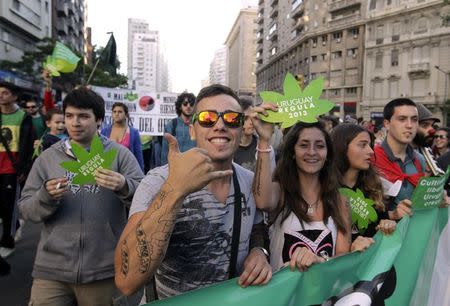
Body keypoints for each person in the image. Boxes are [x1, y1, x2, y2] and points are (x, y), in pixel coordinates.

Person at [115, 84, 272, 299]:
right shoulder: (158, 181)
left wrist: (259, 252)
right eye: (208, 118)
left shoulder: (249, 180)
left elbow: (255, 229)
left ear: (241, 126)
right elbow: (126, 281)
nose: (219, 126)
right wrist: (175, 190)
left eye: (231, 119)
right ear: (192, 129)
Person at [18, 87, 144, 305]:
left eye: (83, 116)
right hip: (51, 270)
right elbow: (26, 209)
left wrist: (124, 185)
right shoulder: (47, 158)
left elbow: (145, 202)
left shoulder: (120, 155)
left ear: (99, 120)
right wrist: (45, 195)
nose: (75, 123)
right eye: (69, 116)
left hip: (104, 270)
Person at [251, 114, 351, 272]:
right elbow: (262, 201)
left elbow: (343, 257)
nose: (312, 152)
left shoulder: (339, 200)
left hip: (322, 294)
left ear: (327, 154)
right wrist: (264, 140)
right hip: (282, 295)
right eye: (304, 145)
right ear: (292, 152)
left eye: (319, 146)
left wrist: (320, 260)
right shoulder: (281, 192)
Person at [331, 124, 396, 250]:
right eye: (362, 145)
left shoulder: (373, 186)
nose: (371, 151)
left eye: (370, 145)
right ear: (341, 147)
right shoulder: (324, 188)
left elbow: (381, 224)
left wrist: (388, 223)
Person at [372, 98, 425, 219]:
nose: (409, 125)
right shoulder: (371, 158)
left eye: (414, 119)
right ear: (387, 124)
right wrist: (390, 216)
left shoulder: (419, 160)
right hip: (380, 234)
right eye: (402, 119)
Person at [0, 81, 35, 258]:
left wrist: (24, 168)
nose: (1, 96)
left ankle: (7, 239)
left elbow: (28, 146)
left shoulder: (23, 117)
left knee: (9, 206)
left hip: (12, 168)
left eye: (5, 93)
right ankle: (14, 226)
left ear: (14, 96)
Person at [101, 102, 144, 171]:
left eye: (120, 112)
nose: (117, 114)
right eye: (114, 112)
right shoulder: (104, 131)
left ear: (126, 115)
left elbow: (138, 157)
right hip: (108, 170)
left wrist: (140, 176)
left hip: (127, 169)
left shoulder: (133, 133)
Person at [160, 92, 196, 165]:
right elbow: (165, 153)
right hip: (175, 169)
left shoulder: (199, 125)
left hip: (195, 169)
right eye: (185, 103)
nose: (188, 106)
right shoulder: (171, 125)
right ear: (180, 106)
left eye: (191, 104)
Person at [234, 96, 258, 171]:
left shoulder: (262, 144)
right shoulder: (229, 147)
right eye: (246, 118)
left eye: (253, 117)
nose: (251, 122)